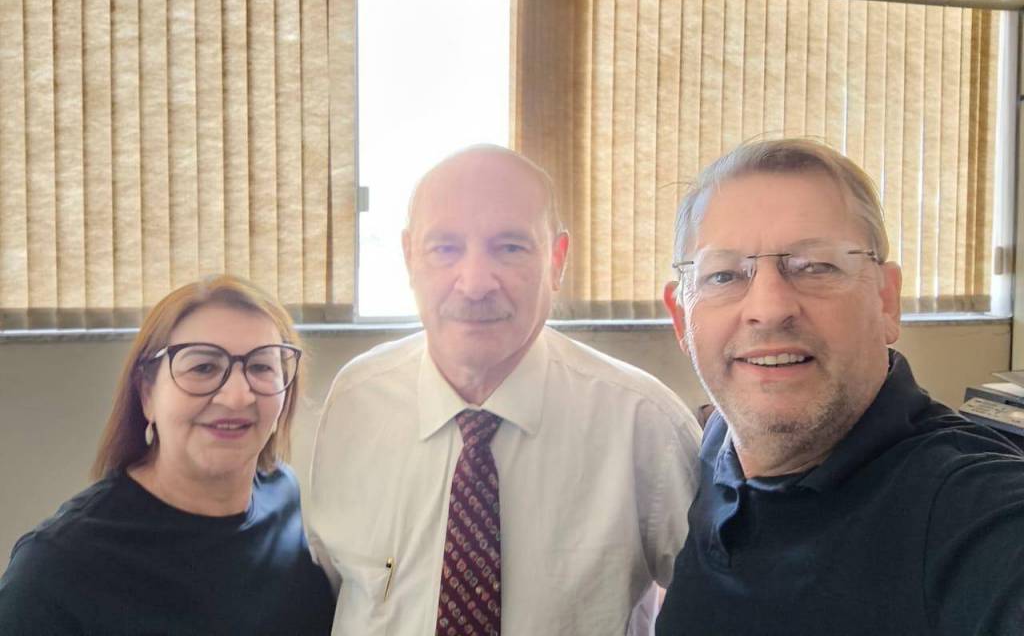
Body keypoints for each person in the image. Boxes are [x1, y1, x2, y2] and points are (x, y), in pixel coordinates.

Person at [307, 145, 702, 635]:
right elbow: (335, 583)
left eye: (510, 247)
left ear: (556, 260)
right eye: (444, 248)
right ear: (409, 257)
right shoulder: (354, 403)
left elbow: (715, 606)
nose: (475, 284)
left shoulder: (644, 425)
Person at [656, 138, 1024, 635]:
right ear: (682, 319)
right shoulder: (722, 441)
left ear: (886, 301)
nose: (769, 308)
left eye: (816, 266)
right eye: (724, 276)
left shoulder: (971, 508)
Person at [0, 275, 335, 635]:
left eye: (261, 367)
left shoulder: (284, 494)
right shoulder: (56, 568)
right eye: (203, 367)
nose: (237, 397)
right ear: (147, 393)